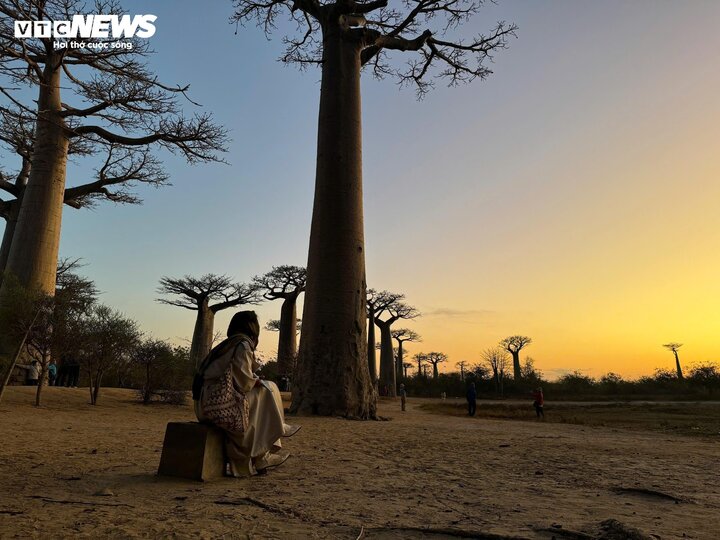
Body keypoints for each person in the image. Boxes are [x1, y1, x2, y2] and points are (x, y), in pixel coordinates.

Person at [194, 311, 300, 476]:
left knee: (262, 397)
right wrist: (256, 381)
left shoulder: (226, 344)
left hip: (204, 403)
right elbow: (243, 383)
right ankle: (266, 449)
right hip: (218, 404)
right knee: (268, 390)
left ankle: (261, 457)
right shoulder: (242, 345)